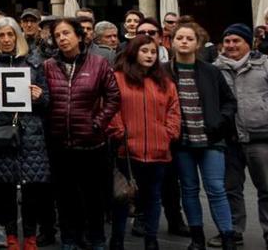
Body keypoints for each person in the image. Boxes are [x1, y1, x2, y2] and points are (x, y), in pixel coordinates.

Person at [0, 17, 51, 250]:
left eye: (10, 34)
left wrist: (39, 97)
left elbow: (47, 101)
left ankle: (29, 235)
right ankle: (9, 234)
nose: (6, 40)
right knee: (2, 187)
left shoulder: (34, 62)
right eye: (1, 35)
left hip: (30, 132)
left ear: (17, 36)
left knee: (31, 188)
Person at [44, 17, 120, 250]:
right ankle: (69, 237)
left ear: (79, 36)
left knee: (93, 197)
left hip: (91, 143)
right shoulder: (48, 66)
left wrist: (97, 123)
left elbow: (114, 97)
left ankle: (96, 237)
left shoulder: (98, 63)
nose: (62, 39)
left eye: (66, 33)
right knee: (66, 197)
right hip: (59, 143)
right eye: (58, 35)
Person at [169, 21, 237, 250]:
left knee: (216, 189)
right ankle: (197, 238)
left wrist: (220, 122)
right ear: (172, 42)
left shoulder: (211, 70)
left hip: (211, 141)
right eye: (180, 38)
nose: (184, 42)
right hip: (182, 142)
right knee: (189, 190)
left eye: (190, 38)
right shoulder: (164, 72)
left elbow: (229, 101)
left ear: (198, 43)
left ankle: (228, 237)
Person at [109, 34, 181, 249]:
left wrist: (169, 133)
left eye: (153, 52)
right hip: (127, 151)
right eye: (145, 51)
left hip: (159, 150)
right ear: (133, 52)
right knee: (122, 198)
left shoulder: (164, 82)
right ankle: (117, 239)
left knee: (153, 198)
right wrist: (120, 132)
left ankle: (152, 239)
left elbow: (174, 110)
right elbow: (111, 107)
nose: (150, 55)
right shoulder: (118, 78)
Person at [215, 23, 268, 249]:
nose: (231, 45)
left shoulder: (264, 64)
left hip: (261, 137)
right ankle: (234, 231)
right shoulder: (214, 68)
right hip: (229, 140)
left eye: (236, 41)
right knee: (231, 189)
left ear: (249, 43)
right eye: (227, 41)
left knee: (266, 189)